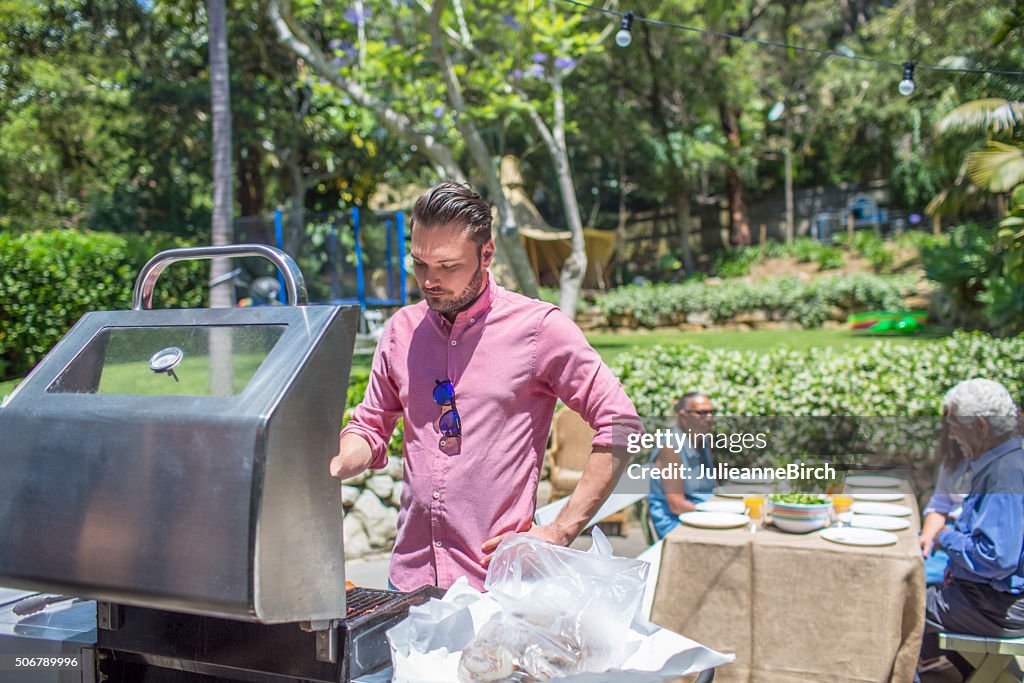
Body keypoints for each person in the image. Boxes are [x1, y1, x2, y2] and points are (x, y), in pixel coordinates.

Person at [332, 182, 643, 591]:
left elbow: (622, 425)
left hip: (497, 588)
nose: (430, 281)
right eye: (420, 264)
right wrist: (329, 466)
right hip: (408, 582)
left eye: (448, 267)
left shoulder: (538, 330)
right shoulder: (401, 331)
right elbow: (370, 429)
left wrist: (562, 529)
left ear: (487, 254)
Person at [918, 378, 1024, 679]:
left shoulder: (1005, 473)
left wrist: (944, 536)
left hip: (999, 608)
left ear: (981, 425)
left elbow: (997, 559)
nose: (950, 433)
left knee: (900, 603)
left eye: (955, 425)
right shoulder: (1002, 462)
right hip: (989, 599)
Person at [647, 393, 717, 539]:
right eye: (701, 413)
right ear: (683, 416)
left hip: (699, 516)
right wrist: (718, 515)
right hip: (676, 525)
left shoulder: (702, 442)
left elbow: (712, 488)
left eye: (711, 412)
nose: (709, 418)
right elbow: (677, 505)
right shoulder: (671, 447)